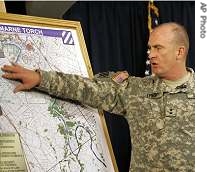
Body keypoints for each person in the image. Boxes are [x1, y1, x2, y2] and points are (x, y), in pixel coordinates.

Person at [1, 22, 194, 172]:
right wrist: (41, 78)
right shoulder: (136, 91)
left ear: (179, 51)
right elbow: (89, 88)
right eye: (150, 48)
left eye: (158, 48)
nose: (151, 54)